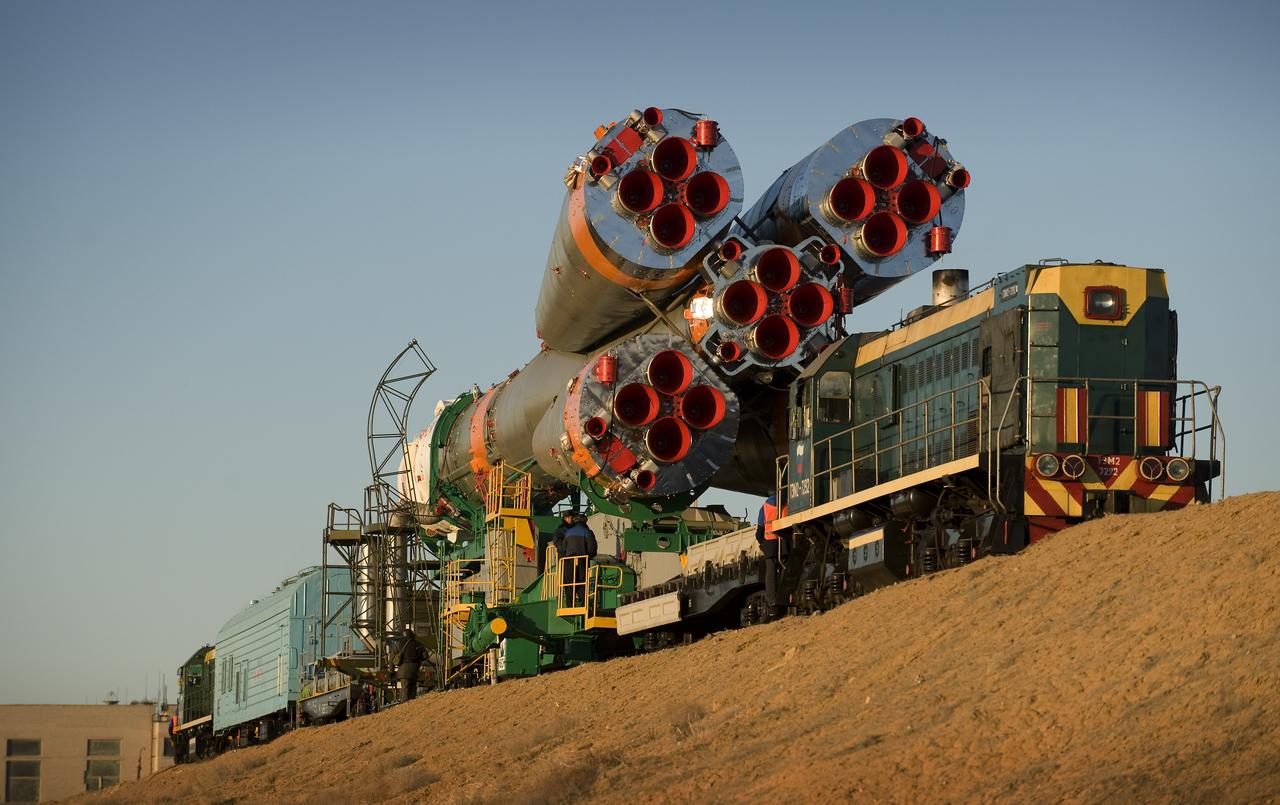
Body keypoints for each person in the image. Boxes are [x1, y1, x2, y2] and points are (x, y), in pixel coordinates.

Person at [756, 494, 787, 620]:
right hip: (785, 543)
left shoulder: (764, 508)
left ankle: (773, 603)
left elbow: (759, 533)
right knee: (786, 570)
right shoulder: (787, 504)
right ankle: (786, 597)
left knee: (771, 575)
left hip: (770, 545)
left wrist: (764, 544)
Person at [557, 514, 597, 606]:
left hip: (568, 561)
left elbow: (563, 548)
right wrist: (589, 557)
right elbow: (592, 549)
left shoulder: (568, 533)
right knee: (582, 582)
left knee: (569, 583)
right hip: (582, 560)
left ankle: (570, 605)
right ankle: (584, 603)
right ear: (584, 522)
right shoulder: (587, 532)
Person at [393, 628, 425, 702]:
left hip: (403, 670)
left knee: (405, 689)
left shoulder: (398, 644)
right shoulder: (418, 643)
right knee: (413, 689)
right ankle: (411, 706)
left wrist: (391, 671)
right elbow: (425, 656)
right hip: (415, 669)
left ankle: (405, 706)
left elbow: (392, 658)